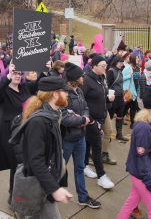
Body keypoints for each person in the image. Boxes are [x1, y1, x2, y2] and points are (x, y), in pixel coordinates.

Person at [20, 76, 73, 217]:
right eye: (65, 91)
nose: (68, 94)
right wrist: (54, 189)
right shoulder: (39, 121)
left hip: (47, 182)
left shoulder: (54, 115)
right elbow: (35, 160)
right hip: (40, 185)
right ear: (55, 94)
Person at [0, 62, 40, 205]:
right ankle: (13, 195)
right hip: (8, 132)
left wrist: (45, 68)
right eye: (15, 73)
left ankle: (19, 192)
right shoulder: (4, 90)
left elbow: (40, 83)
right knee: (16, 164)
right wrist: (8, 75)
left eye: (20, 73)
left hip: (23, 130)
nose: (18, 76)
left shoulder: (24, 88)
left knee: (23, 163)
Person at [118, 88, 151, 219]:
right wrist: (147, 179)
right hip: (142, 174)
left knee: (131, 203)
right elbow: (141, 156)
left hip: (143, 171)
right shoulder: (143, 128)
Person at [62, 62, 101, 208]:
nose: (83, 77)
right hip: (67, 139)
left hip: (80, 137)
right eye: (81, 75)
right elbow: (64, 117)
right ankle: (47, 196)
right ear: (74, 78)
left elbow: (85, 107)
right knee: (59, 169)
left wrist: (84, 118)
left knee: (79, 168)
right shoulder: (63, 93)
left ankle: (83, 197)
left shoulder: (79, 90)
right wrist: (82, 120)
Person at [81, 55, 115, 189]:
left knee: (89, 143)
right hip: (91, 119)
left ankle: (84, 166)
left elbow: (101, 96)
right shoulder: (86, 80)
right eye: (102, 65)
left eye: (106, 65)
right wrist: (88, 118)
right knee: (96, 146)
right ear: (94, 66)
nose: (105, 67)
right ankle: (101, 176)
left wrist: (108, 99)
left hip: (101, 115)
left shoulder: (102, 78)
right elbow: (81, 100)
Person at [107, 55, 128, 142]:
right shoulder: (111, 71)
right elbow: (107, 84)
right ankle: (107, 134)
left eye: (122, 63)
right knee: (110, 115)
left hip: (120, 97)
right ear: (115, 62)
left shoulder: (120, 71)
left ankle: (119, 134)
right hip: (113, 97)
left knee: (120, 115)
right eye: (120, 62)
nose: (121, 64)